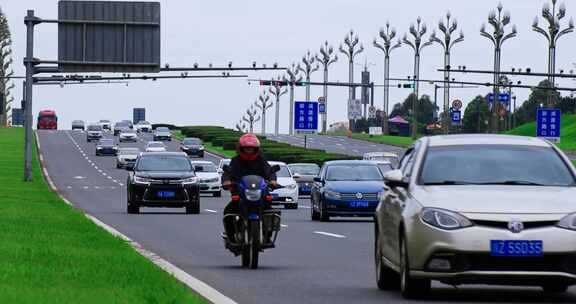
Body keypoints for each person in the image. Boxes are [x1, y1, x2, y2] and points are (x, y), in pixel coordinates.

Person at [221, 134, 278, 247]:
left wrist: (272, 180)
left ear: (256, 149)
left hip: (259, 194)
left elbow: (269, 171)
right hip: (241, 194)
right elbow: (228, 173)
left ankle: (267, 236)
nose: (249, 151)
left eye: (251, 148)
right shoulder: (236, 161)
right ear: (241, 148)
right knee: (228, 212)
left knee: (271, 213)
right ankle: (231, 236)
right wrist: (227, 181)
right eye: (246, 148)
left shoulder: (261, 160)